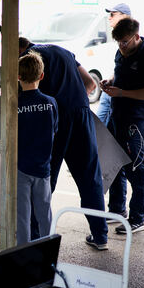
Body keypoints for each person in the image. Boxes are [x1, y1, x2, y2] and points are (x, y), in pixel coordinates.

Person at [19, 37, 108, 250]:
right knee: (90, 177)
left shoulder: (29, 57)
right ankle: (100, 236)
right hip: (81, 113)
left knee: (44, 176)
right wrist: (72, 98)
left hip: (55, 114)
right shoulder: (64, 51)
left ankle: (34, 238)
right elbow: (90, 83)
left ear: (21, 49)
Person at [101, 17, 144, 234]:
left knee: (137, 168)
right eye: (118, 43)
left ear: (136, 37)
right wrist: (111, 81)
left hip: (137, 119)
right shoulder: (121, 52)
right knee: (115, 161)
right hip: (117, 115)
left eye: (124, 42)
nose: (121, 47)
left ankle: (138, 218)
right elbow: (119, 71)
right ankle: (117, 210)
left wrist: (122, 92)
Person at [16, 51, 58, 245]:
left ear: (18, 76)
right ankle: (47, 254)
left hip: (21, 167)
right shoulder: (50, 103)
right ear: (41, 76)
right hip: (43, 167)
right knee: (44, 215)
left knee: (22, 217)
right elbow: (55, 129)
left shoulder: (14, 104)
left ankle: (22, 257)